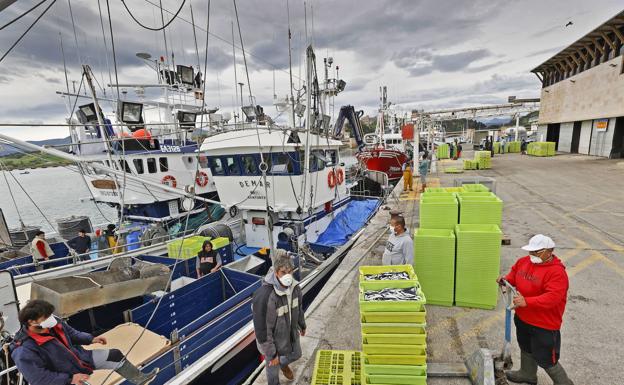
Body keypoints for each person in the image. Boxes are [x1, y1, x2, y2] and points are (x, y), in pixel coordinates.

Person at [10, 300, 158, 385]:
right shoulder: (23, 350)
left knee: (114, 355)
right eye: (46, 316)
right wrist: (70, 379)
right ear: (31, 322)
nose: (51, 318)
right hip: (62, 377)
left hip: (79, 358)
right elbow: (39, 379)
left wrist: (91, 339)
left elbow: (72, 333)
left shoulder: (52, 323)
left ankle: (140, 380)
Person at [496, 235, 574, 385]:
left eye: (536, 252)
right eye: (531, 251)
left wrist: (527, 301)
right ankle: (528, 374)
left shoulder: (557, 273)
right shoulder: (523, 262)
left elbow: (553, 298)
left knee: (546, 359)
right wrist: (505, 280)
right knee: (526, 348)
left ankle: (564, 382)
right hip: (523, 318)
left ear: (549, 251)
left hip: (544, 324)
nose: (532, 255)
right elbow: (513, 275)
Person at [252, 251, 305, 385]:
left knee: (297, 353)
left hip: (289, 333)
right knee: (272, 371)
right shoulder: (266, 296)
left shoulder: (295, 288)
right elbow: (262, 329)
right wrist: (273, 353)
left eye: (290, 272)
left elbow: (298, 308)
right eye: (283, 272)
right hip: (271, 341)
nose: (287, 276)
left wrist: (302, 325)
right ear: (276, 272)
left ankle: (283, 363)